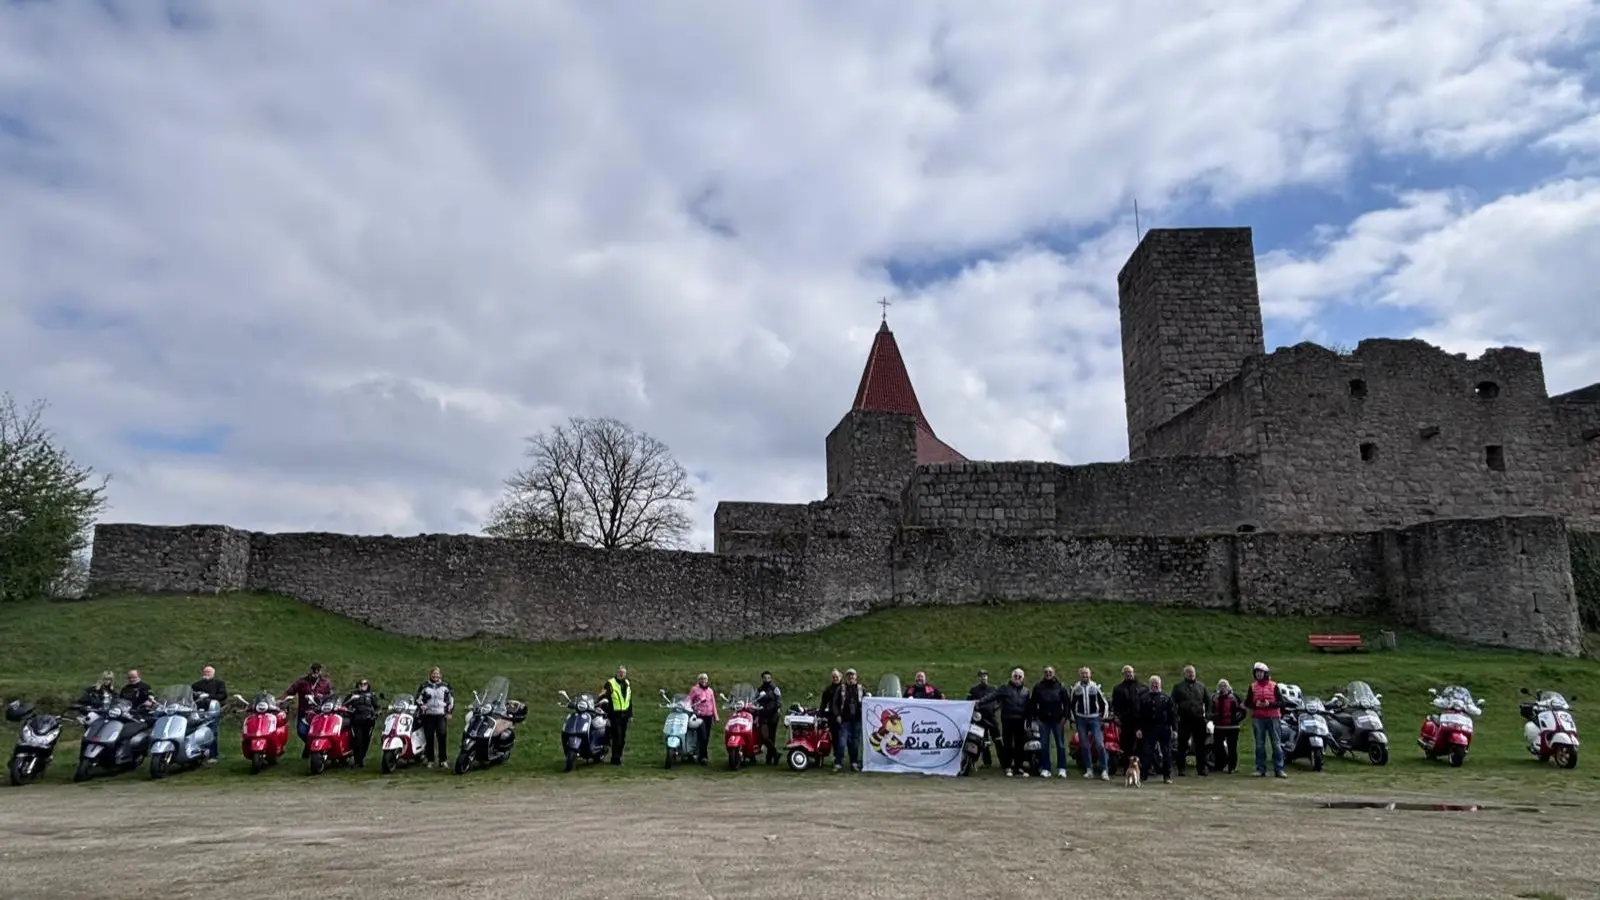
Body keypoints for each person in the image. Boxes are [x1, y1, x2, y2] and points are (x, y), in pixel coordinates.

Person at [1069, 667, 1111, 780]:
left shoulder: (1095, 687)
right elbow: (1071, 704)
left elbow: (1104, 703)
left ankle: (1104, 770)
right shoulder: (1076, 688)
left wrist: (1104, 717)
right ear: (1080, 675)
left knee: (1099, 744)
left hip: (1094, 719)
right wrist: (1073, 719)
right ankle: (1088, 769)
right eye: (1083, 674)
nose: (1085, 676)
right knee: (1084, 745)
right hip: (1081, 719)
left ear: (1090, 675)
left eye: (1086, 674)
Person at [282, 663, 332, 757]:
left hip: (318, 713)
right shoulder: (302, 682)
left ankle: (313, 751)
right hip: (304, 712)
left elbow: (331, 696)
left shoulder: (326, 683)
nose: (315, 672)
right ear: (310, 670)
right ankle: (310, 747)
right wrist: (281, 700)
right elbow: (290, 691)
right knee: (301, 732)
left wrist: (321, 697)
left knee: (317, 733)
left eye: (317, 670)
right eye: (313, 670)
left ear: (320, 671)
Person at [1028, 666, 1070, 779]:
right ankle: (1046, 768)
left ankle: (1062, 768)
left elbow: (1066, 703)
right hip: (1043, 721)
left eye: (1050, 672)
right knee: (1045, 745)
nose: (1048, 674)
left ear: (1054, 673)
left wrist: (1065, 717)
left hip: (1057, 720)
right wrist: (1036, 717)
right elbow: (1033, 703)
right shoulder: (1038, 687)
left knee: (1060, 745)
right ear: (1043, 674)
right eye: (1046, 672)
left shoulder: (1060, 687)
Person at [1248, 662, 1287, 778]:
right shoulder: (1252, 686)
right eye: (1256, 672)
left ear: (1265, 673)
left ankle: (1279, 769)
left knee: (1276, 744)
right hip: (1258, 718)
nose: (1258, 674)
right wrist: (1256, 704)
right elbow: (1248, 702)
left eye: (1260, 672)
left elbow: (1281, 703)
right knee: (1259, 744)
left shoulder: (1274, 686)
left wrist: (1269, 704)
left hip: (1273, 717)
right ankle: (1260, 769)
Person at [1171, 665, 1211, 776]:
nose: (1190, 674)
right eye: (1188, 672)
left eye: (1192, 672)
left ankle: (1201, 768)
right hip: (1184, 720)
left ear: (1195, 673)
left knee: (1200, 745)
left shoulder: (1201, 686)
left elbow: (1208, 702)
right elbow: (1172, 703)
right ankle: (1181, 769)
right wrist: (1175, 716)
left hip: (1199, 719)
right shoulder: (1178, 687)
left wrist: (1207, 717)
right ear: (1185, 674)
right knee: (1182, 745)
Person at [1137, 675, 1177, 784]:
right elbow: (1140, 716)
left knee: (1166, 752)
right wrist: (1139, 729)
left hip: (1164, 728)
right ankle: (1143, 775)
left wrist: (1174, 729)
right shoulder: (1144, 698)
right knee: (1147, 752)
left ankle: (1167, 776)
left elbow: (1172, 715)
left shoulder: (1166, 698)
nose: (1154, 685)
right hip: (1149, 729)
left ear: (1160, 684)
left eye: (1156, 683)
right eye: (1152, 683)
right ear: (1149, 685)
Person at [823, 668, 865, 772]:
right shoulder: (841, 688)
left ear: (856, 676)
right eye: (849, 675)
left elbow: (867, 702)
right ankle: (838, 763)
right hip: (844, 720)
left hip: (857, 720)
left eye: (853, 675)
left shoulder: (861, 689)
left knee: (854, 743)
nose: (851, 677)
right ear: (846, 677)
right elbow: (835, 704)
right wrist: (837, 715)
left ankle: (854, 763)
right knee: (841, 742)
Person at [1110, 665, 1146, 775]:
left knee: (1141, 745)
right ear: (1123, 674)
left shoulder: (1143, 688)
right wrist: (1117, 717)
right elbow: (1115, 705)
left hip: (1140, 721)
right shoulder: (1118, 689)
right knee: (1126, 746)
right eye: (1126, 672)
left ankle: (1142, 769)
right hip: (1125, 721)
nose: (1128, 674)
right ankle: (1127, 769)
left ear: (1133, 672)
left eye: (1130, 672)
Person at [415, 667, 454, 769]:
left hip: (441, 714)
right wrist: (422, 706)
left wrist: (449, 712)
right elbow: (418, 698)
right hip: (428, 715)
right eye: (433, 674)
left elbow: (451, 700)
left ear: (440, 675)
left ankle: (443, 760)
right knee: (429, 737)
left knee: (442, 735)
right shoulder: (424, 686)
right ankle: (430, 760)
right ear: (430, 675)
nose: (435, 676)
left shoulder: (445, 686)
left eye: (437, 674)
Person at [191, 665, 227, 762]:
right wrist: (196, 695)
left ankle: (213, 755)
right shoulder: (196, 685)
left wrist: (209, 696)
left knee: (212, 731)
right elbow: (190, 696)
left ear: (213, 674)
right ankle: (196, 753)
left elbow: (223, 695)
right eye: (205, 672)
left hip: (212, 710)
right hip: (197, 711)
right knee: (194, 731)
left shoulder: (219, 683)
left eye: (209, 672)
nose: (207, 674)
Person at [1211, 678, 1245, 774]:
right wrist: (1214, 719)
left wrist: (1235, 720)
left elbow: (1242, 711)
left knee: (1232, 747)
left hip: (1232, 727)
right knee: (1217, 746)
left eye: (1224, 686)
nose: (1223, 688)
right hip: (1219, 726)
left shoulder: (1235, 697)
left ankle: (1232, 767)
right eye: (1221, 686)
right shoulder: (1214, 698)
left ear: (1228, 686)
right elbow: (1211, 710)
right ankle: (1220, 765)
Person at [965, 670, 997, 768]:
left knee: (997, 740)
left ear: (987, 677)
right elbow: (968, 702)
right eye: (981, 676)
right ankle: (982, 762)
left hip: (991, 718)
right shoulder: (973, 690)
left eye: (985, 675)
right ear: (978, 678)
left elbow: (1000, 701)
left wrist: (995, 708)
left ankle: (1004, 763)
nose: (983, 677)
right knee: (980, 740)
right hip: (978, 719)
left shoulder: (994, 689)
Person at [346, 678, 379, 768]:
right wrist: (349, 705)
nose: (362, 686)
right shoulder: (352, 695)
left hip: (368, 721)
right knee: (357, 740)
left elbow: (377, 707)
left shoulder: (372, 695)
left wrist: (376, 714)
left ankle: (361, 759)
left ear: (368, 686)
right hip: (356, 720)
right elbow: (344, 705)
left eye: (365, 684)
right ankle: (357, 761)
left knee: (366, 740)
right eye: (361, 684)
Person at [603, 666, 632, 765]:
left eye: (623, 673)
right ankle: (615, 759)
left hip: (624, 714)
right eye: (620, 672)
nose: (621, 674)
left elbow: (629, 700)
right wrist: (607, 711)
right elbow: (603, 697)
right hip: (614, 715)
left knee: (622, 738)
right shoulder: (610, 683)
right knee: (617, 737)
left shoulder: (627, 683)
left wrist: (630, 715)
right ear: (616, 673)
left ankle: (618, 757)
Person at [686, 673, 718, 764]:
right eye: (701, 679)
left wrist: (715, 716)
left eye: (705, 679)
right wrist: (688, 708)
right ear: (698, 680)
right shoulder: (695, 689)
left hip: (709, 715)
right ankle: (704, 756)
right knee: (702, 736)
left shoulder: (710, 691)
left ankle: (701, 755)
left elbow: (713, 704)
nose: (703, 680)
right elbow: (689, 700)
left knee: (707, 737)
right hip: (699, 716)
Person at [754, 671, 783, 765]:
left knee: (772, 737)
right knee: (764, 737)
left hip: (773, 715)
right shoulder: (759, 690)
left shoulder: (775, 689)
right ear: (762, 678)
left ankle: (769, 759)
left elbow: (779, 701)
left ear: (771, 678)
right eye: (765, 678)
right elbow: (754, 701)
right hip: (763, 716)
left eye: (768, 678)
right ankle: (776, 754)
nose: (767, 679)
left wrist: (775, 707)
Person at [820, 669, 844, 765]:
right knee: (835, 738)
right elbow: (823, 704)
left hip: (844, 716)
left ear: (840, 677)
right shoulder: (828, 690)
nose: (835, 678)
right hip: (833, 717)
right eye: (834, 677)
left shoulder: (844, 688)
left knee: (845, 739)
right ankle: (837, 758)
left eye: (837, 677)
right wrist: (820, 715)